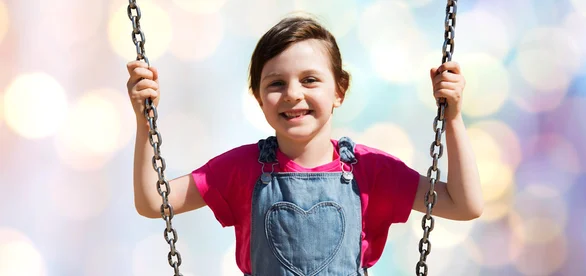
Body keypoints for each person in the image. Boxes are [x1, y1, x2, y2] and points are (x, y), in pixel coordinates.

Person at [126, 15, 482, 276]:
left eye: (310, 80)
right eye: (276, 83)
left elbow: (463, 205)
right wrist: (144, 121)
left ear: (339, 90)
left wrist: (452, 119)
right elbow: (154, 202)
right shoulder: (241, 168)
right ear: (259, 97)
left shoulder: (371, 170)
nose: (293, 94)